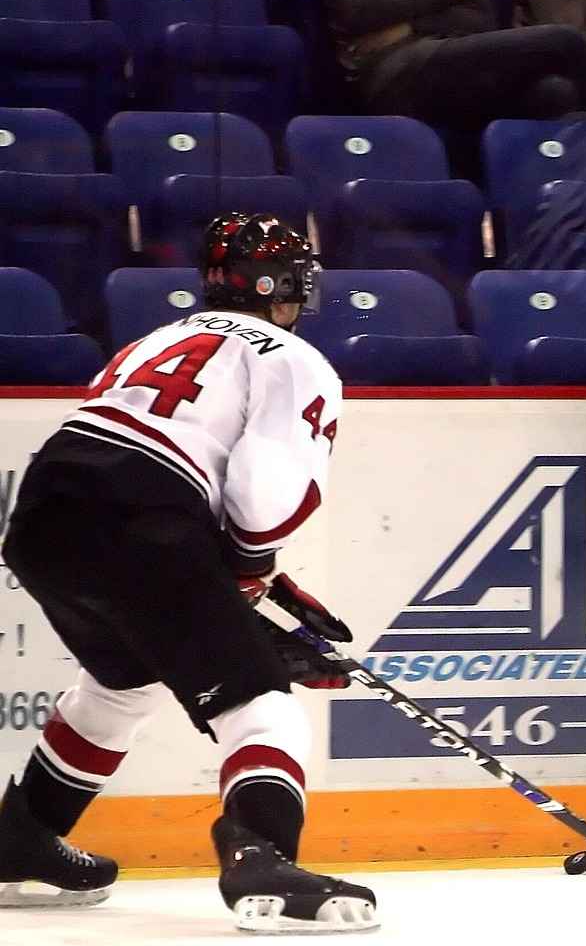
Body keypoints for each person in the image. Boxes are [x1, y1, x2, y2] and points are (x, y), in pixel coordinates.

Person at [0, 214, 376, 933]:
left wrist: (248, 585)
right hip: (142, 521)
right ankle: (261, 854)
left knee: (121, 681)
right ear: (278, 290)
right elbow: (264, 498)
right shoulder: (295, 358)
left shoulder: (155, 338)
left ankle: (20, 839)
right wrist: (249, 569)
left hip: (44, 516)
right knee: (260, 699)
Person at [327, 0, 586, 179]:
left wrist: (408, 22)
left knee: (556, 93)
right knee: (563, 41)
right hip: (394, 71)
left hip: (453, 60)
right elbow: (359, 12)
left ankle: (538, 224)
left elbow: (478, 22)